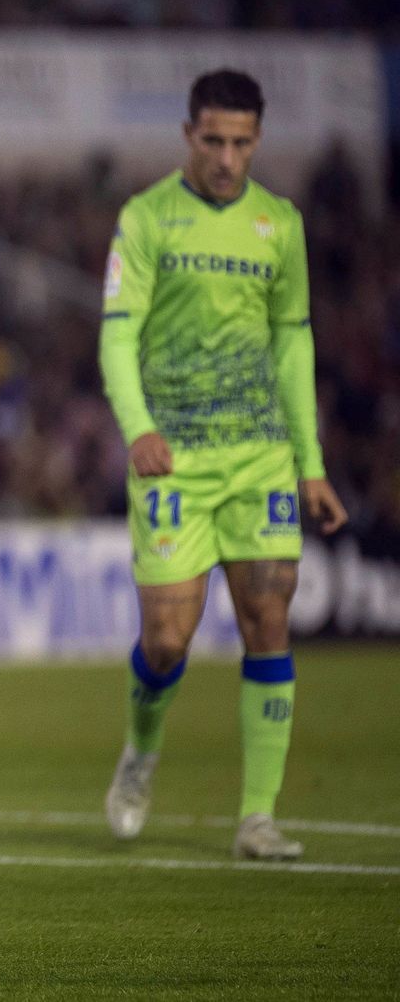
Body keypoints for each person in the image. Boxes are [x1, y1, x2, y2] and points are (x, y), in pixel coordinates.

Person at [99, 69, 347, 860]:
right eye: (214, 140)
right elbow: (116, 333)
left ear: (258, 141)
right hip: (174, 459)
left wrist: (310, 464)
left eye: (242, 142)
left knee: (268, 622)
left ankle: (258, 817)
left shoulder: (281, 224)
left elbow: (293, 341)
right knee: (167, 641)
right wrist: (137, 426)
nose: (229, 158)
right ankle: (140, 753)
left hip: (261, 458)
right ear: (188, 137)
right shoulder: (147, 218)